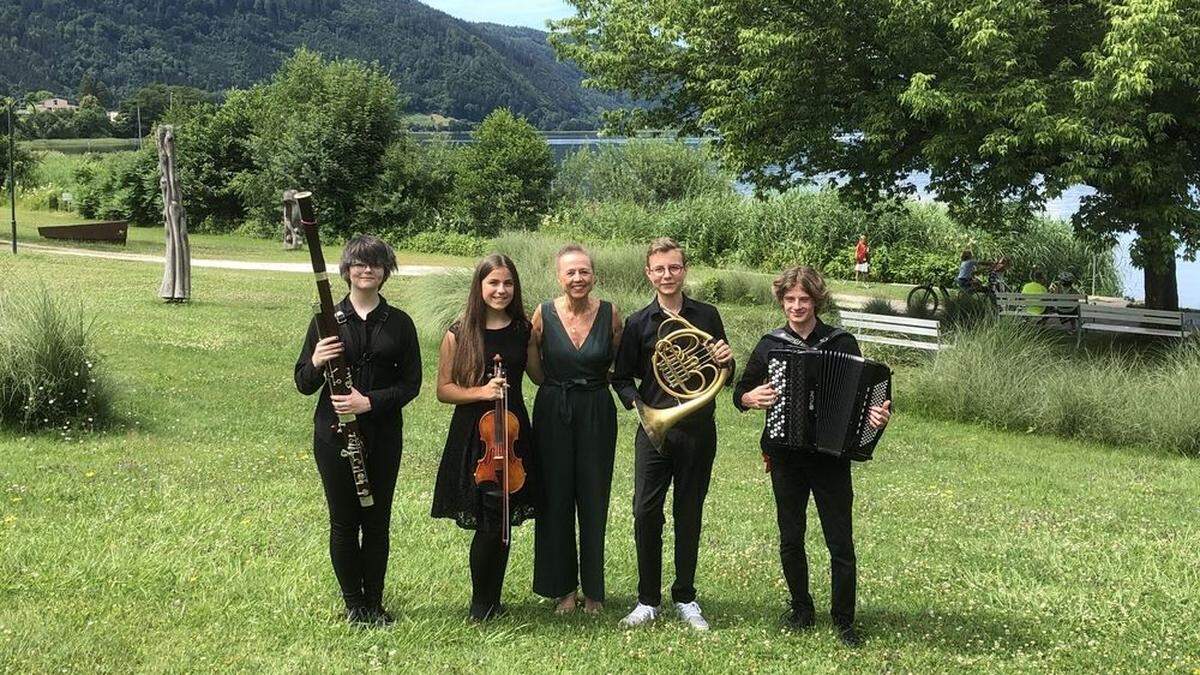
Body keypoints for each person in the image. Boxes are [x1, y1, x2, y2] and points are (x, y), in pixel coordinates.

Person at [732, 265, 891, 648]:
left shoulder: (841, 342)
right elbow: (741, 392)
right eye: (790, 299)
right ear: (781, 301)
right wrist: (749, 399)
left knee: (840, 540)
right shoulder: (770, 344)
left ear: (816, 301)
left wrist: (876, 417)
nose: (797, 306)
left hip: (831, 457)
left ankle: (844, 619)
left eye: (804, 299)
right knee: (791, 535)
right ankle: (801, 608)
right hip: (786, 455)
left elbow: (869, 398)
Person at [294, 234, 422, 626]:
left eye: (376, 264)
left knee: (377, 521)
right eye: (360, 264)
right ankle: (354, 605)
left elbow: (411, 385)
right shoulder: (325, 321)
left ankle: (375, 603)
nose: (367, 270)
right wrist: (316, 360)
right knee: (344, 521)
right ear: (347, 270)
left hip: (382, 436)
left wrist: (369, 402)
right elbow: (302, 382)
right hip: (333, 437)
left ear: (386, 272)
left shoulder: (400, 323)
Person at [611, 237, 734, 631]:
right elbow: (620, 377)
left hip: (698, 431)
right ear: (649, 274)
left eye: (674, 267)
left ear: (685, 270)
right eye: (659, 269)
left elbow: (722, 373)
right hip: (654, 430)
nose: (667, 275)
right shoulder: (637, 322)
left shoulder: (708, 315)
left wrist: (726, 361)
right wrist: (639, 406)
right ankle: (647, 599)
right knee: (645, 512)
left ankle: (686, 596)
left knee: (689, 512)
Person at [431, 253, 538, 622]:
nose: (501, 290)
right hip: (476, 436)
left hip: (512, 433)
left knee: (503, 520)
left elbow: (540, 375)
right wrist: (482, 392)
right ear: (480, 286)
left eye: (508, 283)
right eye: (493, 283)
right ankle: (481, 603)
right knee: (488, 521)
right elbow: (444, 390)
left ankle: (494, 599)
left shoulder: (525, 330)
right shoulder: (458, 331)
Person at [528, 244, 623, 615]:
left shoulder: (612, 314)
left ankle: (595, 593)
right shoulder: (543, 313)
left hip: (597, 409)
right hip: (554, 409)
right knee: (555, 499)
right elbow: (535, 370)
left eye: (584, 272)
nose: (578, 279)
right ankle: (563, 590)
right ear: (559, 277)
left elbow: (618, 363)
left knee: (594, 498)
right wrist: (559, 387)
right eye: (570, 273)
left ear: (594, 275)